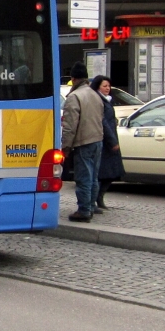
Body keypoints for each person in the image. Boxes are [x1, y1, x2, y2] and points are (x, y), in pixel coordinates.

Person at [61, 62, 105, 222]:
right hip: (97, 140)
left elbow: (70, 125)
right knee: (93, 176)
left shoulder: (74, 97)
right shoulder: (95, 94)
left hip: (83, 141)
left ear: (73, 79)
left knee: (83, 177)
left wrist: (65, 146)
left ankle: (84, 210)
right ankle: (92, 206)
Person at [90, 75, 125, 210]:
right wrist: (112, 141)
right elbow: (103, 122)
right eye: (104, 86)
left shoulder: (107, 100)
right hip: (104, 141)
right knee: (102, 173)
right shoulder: (99, 100)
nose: (107, 88)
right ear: (98, 86)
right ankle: (94, 200)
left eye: (109, 86)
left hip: (110, 140)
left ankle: (100, 198)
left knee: (113, 172)